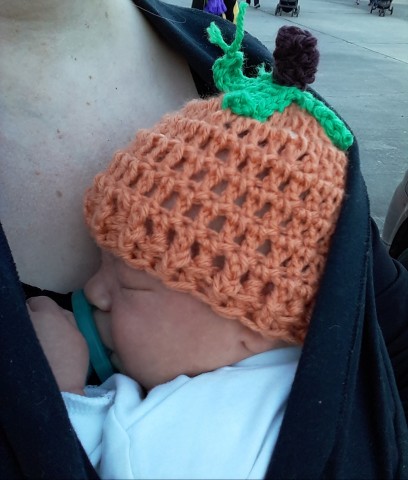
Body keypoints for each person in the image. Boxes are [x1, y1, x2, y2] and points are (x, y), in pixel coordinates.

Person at [1, 1, 408, 479]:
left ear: (254, 326)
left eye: (131, 284)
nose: (91, 292)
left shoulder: (168, 440)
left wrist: (64, 396)